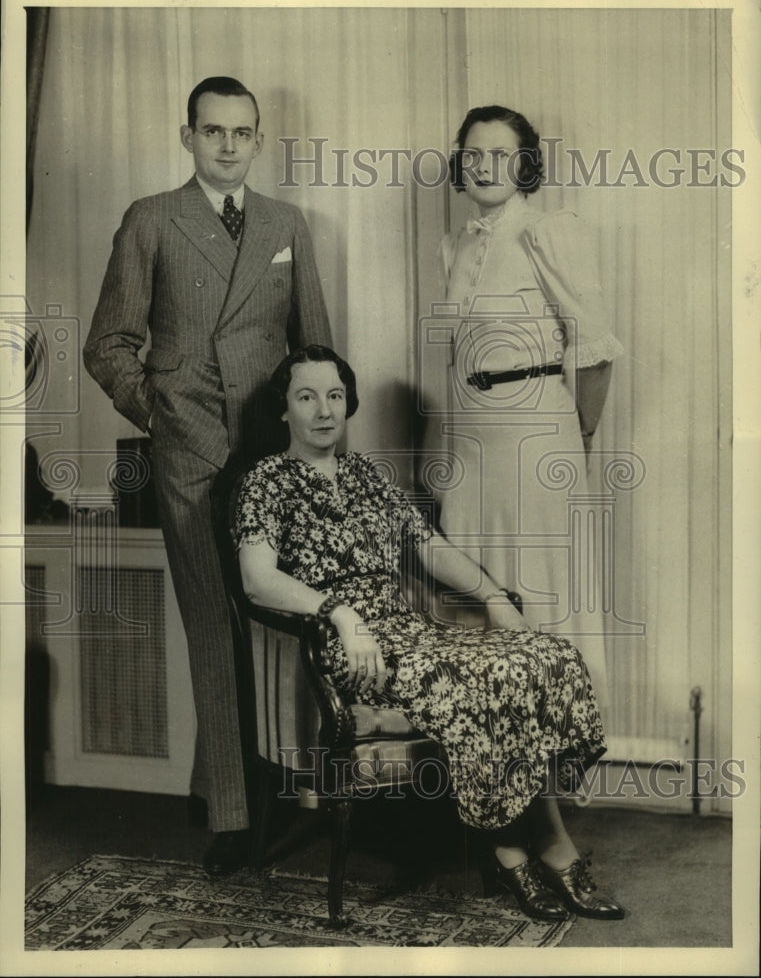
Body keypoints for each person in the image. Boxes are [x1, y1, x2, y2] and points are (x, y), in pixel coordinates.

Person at [235, 344, 625, 922]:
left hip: (410, 634)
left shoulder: (365, 475)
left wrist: (494, 597)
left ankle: (514, 847)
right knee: (488, 676)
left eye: (335, 396)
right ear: (284, 410)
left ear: (349, 405)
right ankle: (548, 849)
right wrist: (340, 614)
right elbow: (257, 581)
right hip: (354, 650)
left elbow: (431, 549)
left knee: (546, 656)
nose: (324, 410)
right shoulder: (267, 481)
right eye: (307, 396)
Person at [83, 76, 333, 876]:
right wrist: (158, 416)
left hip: (272, 457)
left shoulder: (287, 223)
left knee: (292, 619)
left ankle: (304, 790)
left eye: (242, 132)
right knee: (215, 632)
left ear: (259, 140)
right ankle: (233, 816)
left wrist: (312, 445)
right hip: (190, 453)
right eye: (212, 131)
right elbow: (108, 345)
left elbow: (315, 350)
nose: (228, 145)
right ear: (186, 135)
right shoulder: (152, 219)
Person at [434, 105, 624, 709]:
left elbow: (594, 348)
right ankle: (491, 768)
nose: (486, 165)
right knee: (475, 594)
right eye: (474, 154)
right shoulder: (456, 243)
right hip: (470, 445)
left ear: (526, 165)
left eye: (502, 154)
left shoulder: (549, 230)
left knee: (544, 594)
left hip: (536, 434)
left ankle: (559, 761)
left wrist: (584, 432)